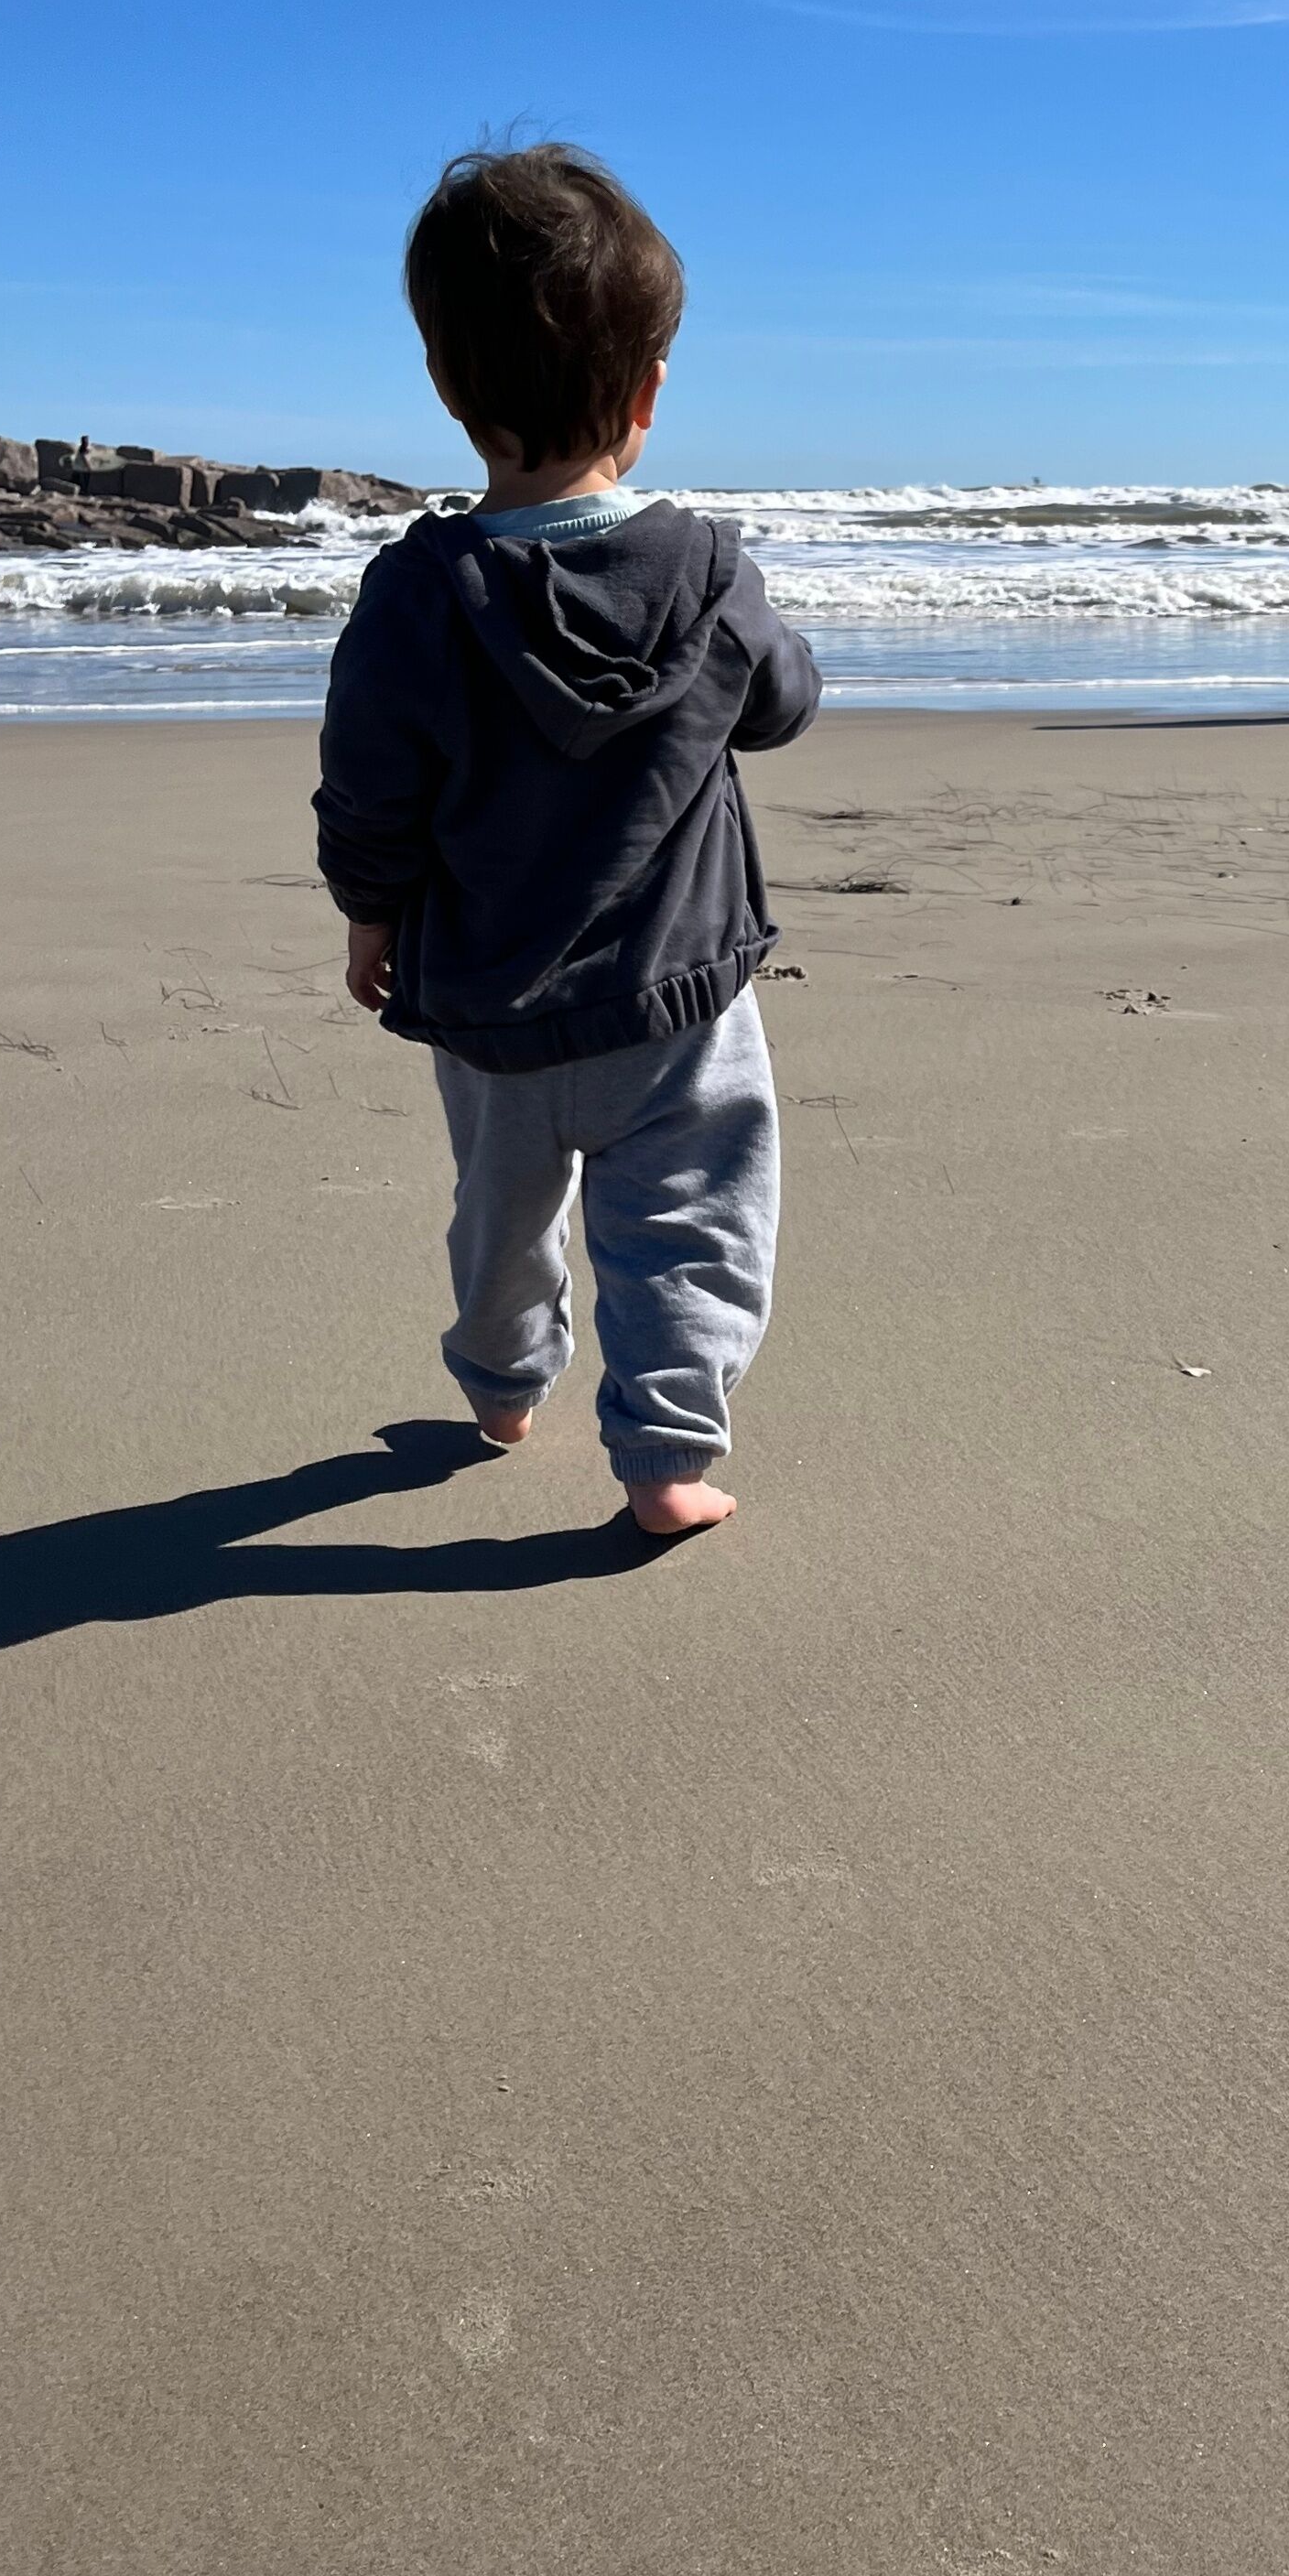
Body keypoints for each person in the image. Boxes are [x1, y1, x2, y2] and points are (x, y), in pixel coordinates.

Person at [313, 143, 820, 1537]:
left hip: (489, 1002)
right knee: (692, 1221)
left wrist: (370, 911)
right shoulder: (706, 572)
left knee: (501, 1213)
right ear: (648, 392)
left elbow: (368, 787)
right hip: (679, 995)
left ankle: (501, 1387)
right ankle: (666, 1460)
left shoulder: (419, 596)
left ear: (447, 386)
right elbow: (784, 705)